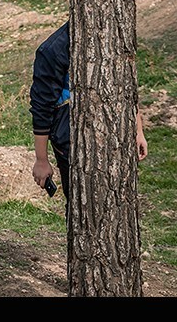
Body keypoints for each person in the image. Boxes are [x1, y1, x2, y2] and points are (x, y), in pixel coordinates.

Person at [29, 21, 148, 204]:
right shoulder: (53, 50)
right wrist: (42, 160)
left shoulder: (114, 34)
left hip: (117, 139)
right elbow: (41, 108)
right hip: (73, 144)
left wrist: (137, 130)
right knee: (82, 204)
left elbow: (126, 85)